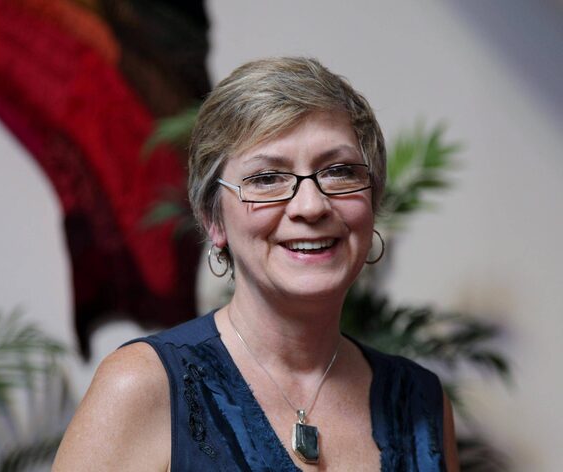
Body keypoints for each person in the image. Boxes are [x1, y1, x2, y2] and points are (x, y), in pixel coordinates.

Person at [53, 57, 459, 471]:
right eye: (267, 178)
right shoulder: (141, 385)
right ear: (213, 220)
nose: (311, 206)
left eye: (339, 171)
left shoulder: (421, 402)